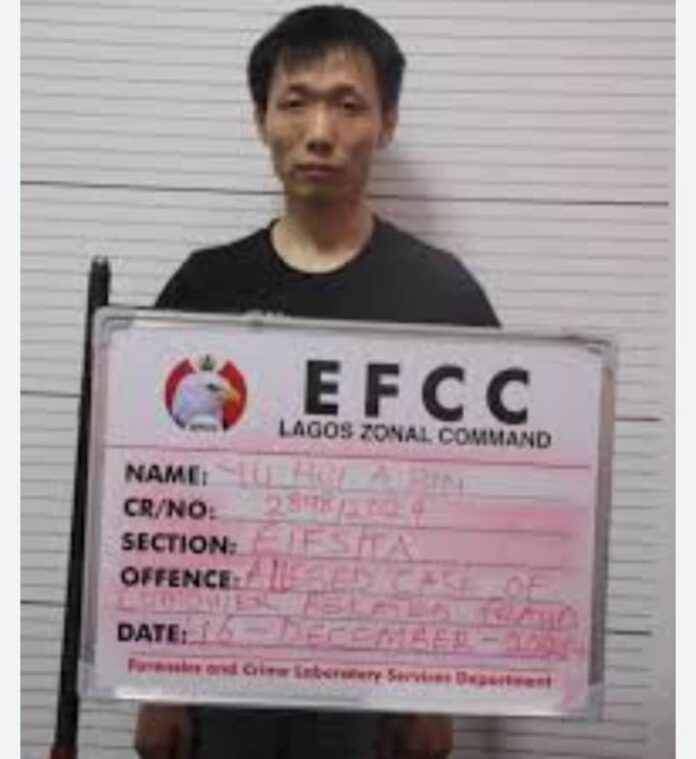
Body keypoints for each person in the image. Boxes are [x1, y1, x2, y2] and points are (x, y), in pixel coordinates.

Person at [136, 5, 499, 759]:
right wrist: (157, 681)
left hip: (382, 684)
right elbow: (157, 491)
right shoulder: (204, 286)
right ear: (260, 119)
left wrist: (438, 688)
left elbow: (475, 512)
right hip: (225, 673)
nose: (321, 131)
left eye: (349, 104)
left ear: (388, 122)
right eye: (295, 102)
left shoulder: (443, 293)